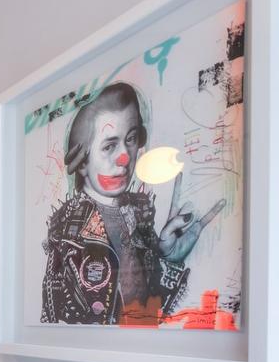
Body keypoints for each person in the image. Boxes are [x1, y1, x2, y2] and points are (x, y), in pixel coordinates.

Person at [41, 82, 225, 325]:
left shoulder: (139, 217)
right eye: (109, 146)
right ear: (82, 160)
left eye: (130, 139)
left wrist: (169, 260)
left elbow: (148, 315)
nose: (124, 158)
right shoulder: (67, 234)